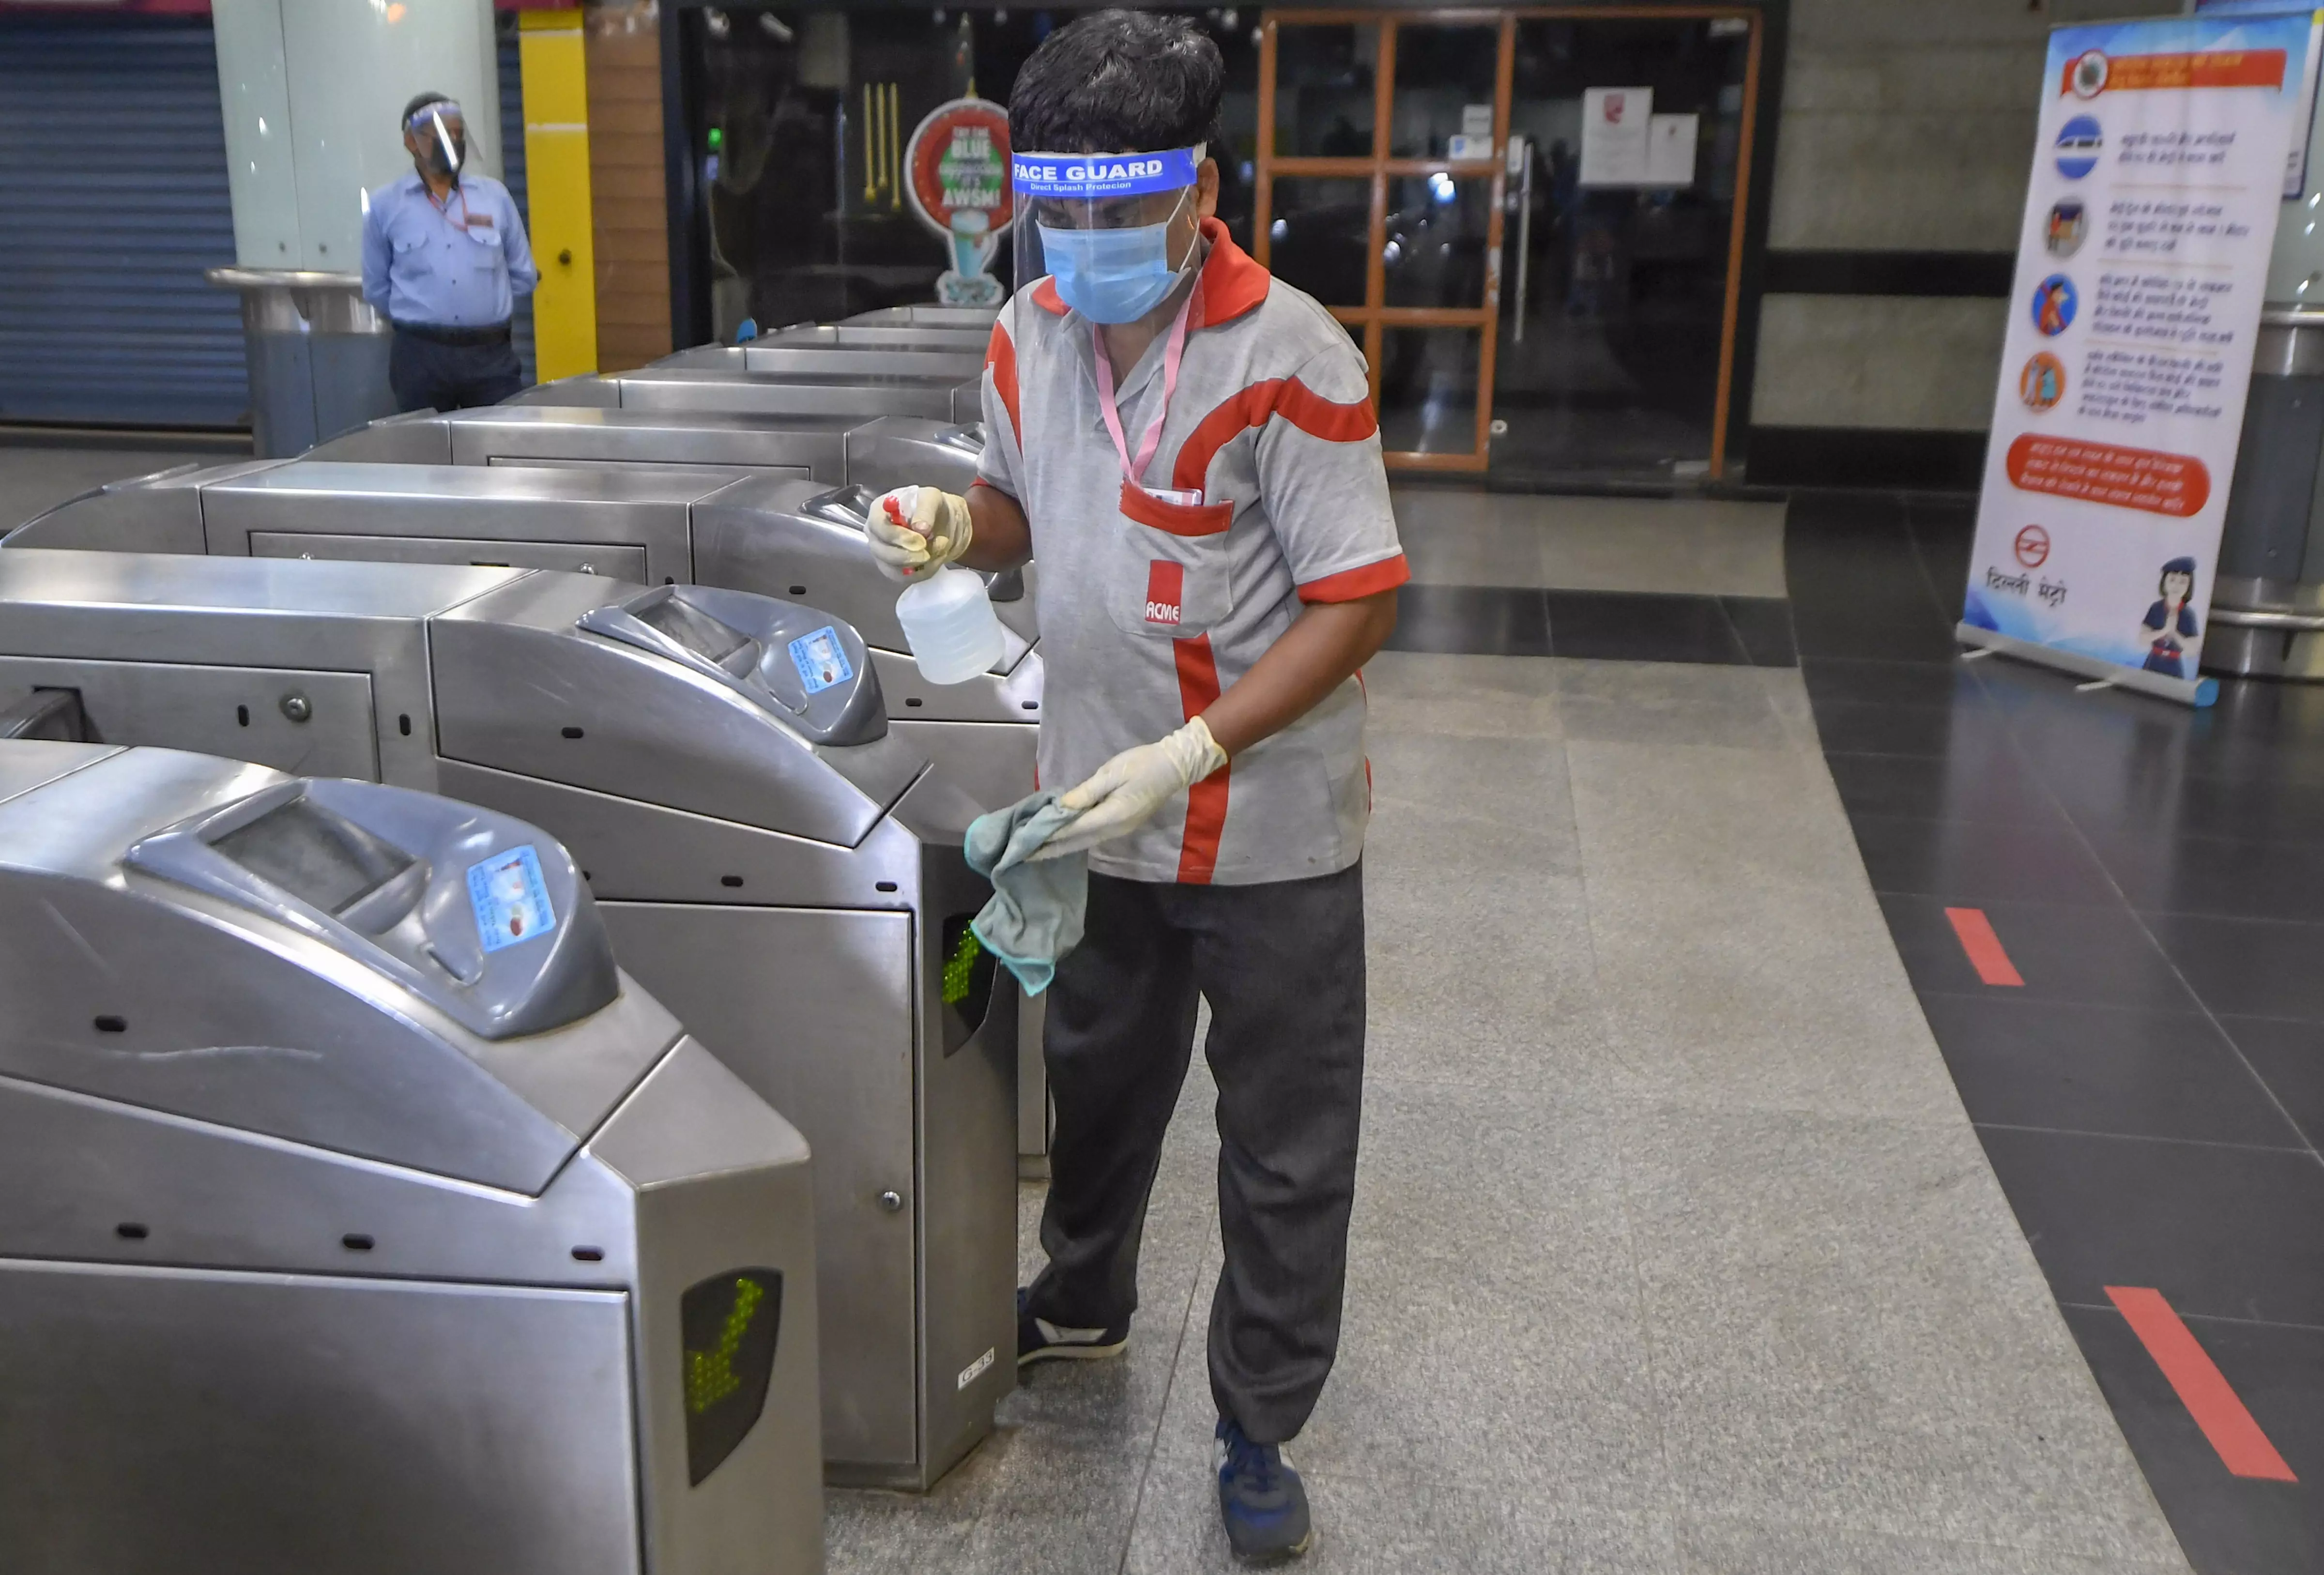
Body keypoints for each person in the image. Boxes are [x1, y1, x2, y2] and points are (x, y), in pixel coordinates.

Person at [867, 12, 1404, 1561]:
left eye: (1125, 207)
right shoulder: (1026, 330)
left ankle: (1256, 1415)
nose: (1090, 242)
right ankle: (1086, 1296)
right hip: (1097, 809)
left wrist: (1198, 746)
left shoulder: (1290, 352)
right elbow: (1028, 504)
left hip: (1268, 827)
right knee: (1094, 1083)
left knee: (1284, 1136)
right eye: (1065, 208)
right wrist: (958, 527)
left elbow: (1356, 596)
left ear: (1203, 186)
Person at [361, 92, 537, 413]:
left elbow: (523, 274)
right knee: (425, 452)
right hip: (420, 357)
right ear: (412, 142)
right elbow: (376, 288)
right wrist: (427, 315)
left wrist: (482, 304)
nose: (453, 141)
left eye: (458, 133)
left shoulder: (494, 197)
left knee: (498, 446)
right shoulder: (385, 206)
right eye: (443, 134)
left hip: (490, 356)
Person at [2141, 556, 2202, 677]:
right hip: (2153, 662)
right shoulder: (2156, 608)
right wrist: (2164, 631)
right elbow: (2142, 639)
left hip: (2174, 666)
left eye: (2183, 582)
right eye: (2172, 580)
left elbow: (2193, 651)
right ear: (2164, 582)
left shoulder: (2188, 615)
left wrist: (2174, 633)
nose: (2177, 586)